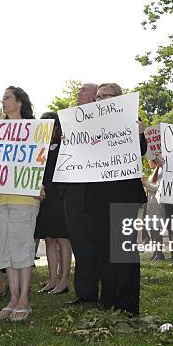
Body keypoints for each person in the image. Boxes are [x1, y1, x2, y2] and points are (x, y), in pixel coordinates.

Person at [83, 82, 147, 316]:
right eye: (98, 97)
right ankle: (107, 300)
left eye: (106, 96)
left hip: (123, 196)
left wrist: (139, 132)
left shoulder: (131, 119)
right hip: (97, 197)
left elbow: (140, 149)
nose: (101, 101)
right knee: (101, 249)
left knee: (122, 249)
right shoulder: (87, 124)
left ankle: (126, 305)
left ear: (119, 99)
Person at [0, 86, 41, 321]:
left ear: (20, 101)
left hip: (24, 198)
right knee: (5, 250)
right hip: (0, 198)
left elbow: (39, 161)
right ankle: (13, 298)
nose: (3, 101)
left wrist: (39, 185)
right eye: (3, 98)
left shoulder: (33, 129)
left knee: (21, 249)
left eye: (7, 97)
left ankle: (24, 299)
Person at [60, 82, 100, 305]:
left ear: (96, 97)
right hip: (74, 190)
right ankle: (85, 293)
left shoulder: (107, 120)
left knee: (96, 243)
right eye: (79, 90)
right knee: (79, 243)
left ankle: (103, 290)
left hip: (96, 191)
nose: (79, 93)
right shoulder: (70, 120)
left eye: (84, 90)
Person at [34, 111, 71, 295]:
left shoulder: (65, 145)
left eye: (49, 124)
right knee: (48, 238)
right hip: (44, 198)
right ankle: (52, 280)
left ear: (57, 126)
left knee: (62, 239)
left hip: (60, 197)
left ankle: (64, 281)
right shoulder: (39, 147)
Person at [142, 157, 166, 261]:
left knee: (156, 229)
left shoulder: (160, 171)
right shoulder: (153, 172)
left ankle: (159, 253)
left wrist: (146, 184)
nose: (148, 162)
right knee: (152, 229)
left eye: (150, 160)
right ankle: (155, 252)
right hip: (151, 204)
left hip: (156, 204)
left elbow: (158, 187)